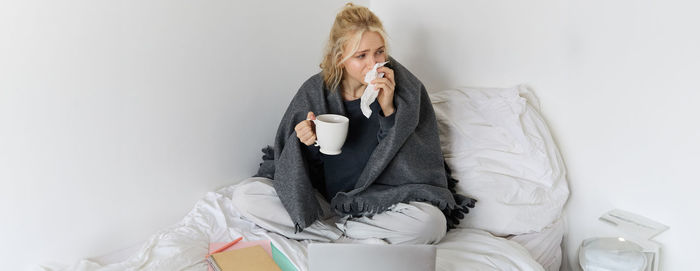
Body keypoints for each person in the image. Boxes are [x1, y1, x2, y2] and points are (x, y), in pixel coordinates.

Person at [234, 3, 473, 245]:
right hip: (325, 199)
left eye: (379, 52)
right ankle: (344, 233)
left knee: (431, 224)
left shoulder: (406, 90)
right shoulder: (315, 93)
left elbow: (415, 162)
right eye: (361, 55)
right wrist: (306, 141)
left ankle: (330, 232)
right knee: (246, 195)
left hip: (380, 200)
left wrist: (389, 111)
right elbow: (293, 166)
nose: (374, 63)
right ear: (340, 59)